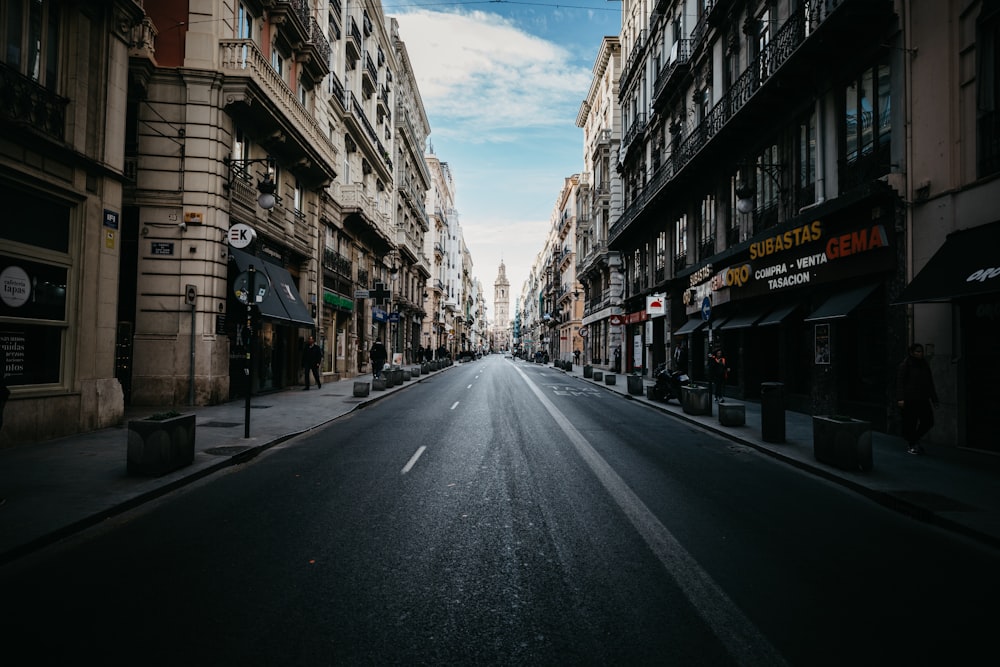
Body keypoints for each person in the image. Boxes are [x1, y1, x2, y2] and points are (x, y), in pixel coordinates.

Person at [897, 343, 939, 455]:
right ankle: (912, 445)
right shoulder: (906, 365)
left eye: (921, 351)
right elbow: (900, 382)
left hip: (923, 398)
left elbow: (929, 382)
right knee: (911, 422)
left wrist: (934, 399)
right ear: (912, 352)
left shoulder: (924, 364)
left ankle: (914, 440)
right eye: (917, 351)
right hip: (910, 398)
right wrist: (901, 398)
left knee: (929, 421)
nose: (920, 354)